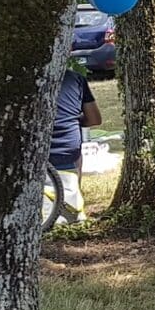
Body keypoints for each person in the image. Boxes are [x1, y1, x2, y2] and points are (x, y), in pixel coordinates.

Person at [51, 66, 101, 223]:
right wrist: (73, 120)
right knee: (76, 156)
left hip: (36, 152)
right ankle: (73, 203)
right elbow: (95, 119)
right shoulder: (76, 79)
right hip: (68, 149)